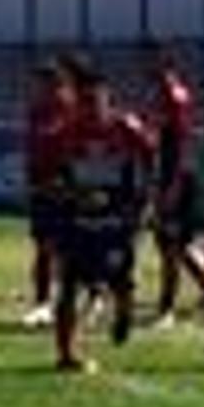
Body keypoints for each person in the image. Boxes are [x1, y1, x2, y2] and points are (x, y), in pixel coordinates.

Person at [49, 59, 155, 372]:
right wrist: (74, 195)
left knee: (120, 281)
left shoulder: (127, 128)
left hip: (117, 223)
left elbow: (152, 160)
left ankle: (124, 310)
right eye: (83, 102)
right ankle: (66, 354)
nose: (90, 109)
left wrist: (146, 202)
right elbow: (49, 182)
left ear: (109, 100)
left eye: (96, 101)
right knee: (68, 287)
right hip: (77, 222)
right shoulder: (64, 133)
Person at [147, 43, 204, 323]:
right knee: (178, 246)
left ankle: (167, 309)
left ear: (167, 62)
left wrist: (173, 186)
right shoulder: (160, 94)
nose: (147, 66)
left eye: (153, 60)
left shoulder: (173, 96)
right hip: (168, 177)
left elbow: (180, 146)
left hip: (176, 178)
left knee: (171, 248)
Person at [22, 61, 71, 327]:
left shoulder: (69, 109)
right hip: (41, 185)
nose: (41, 90)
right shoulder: (37, 111)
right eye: (39, 84)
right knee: (43, 247)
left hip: (64, 186)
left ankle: (81, 298)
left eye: (46, 84)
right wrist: (31, 179)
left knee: (67, 249)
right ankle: (42, 304)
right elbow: (32, 148)